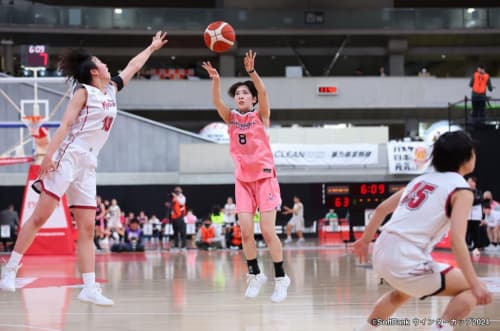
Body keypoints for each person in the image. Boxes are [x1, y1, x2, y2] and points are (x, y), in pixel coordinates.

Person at [0, 31, 168, 306]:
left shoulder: (111, 89)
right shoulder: (83, 92)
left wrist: (151, 48)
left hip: (89, 163)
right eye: (102, 62)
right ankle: (10, 270)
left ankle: (89, 287)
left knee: (88, 228)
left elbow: (133, 66)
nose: (107, 65)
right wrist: (48, 157)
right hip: (69, 157)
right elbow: (65, 125)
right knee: (41, 217)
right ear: (93, 70)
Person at [353, 131, 492, 331]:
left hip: (382, 250)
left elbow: (382, 209)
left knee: (401, 294)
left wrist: (365, 241)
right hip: (405, 257)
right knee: (472, 289)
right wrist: (475, 282)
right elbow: (457, 241)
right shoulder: (461, 189)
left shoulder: (421, 180)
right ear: (465, 158)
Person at [202, 50, 290, 303]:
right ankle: (255, 274)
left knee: (268, 231)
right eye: (238, 93)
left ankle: (281, 278)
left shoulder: (260, 116)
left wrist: (252, 72)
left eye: (245, 93)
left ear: (252, 99)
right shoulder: (231, 118)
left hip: (264, 178)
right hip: (243, 180)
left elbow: (264, 93)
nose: (240, 96)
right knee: (246, 231)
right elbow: (217, 102)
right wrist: (216, 80)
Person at [170, 186, 187, 251]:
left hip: (180, 217)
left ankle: (183, 246)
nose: (176, 191)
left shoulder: (182, 197)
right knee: (175, 232)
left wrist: (176, 197)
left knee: (182, 232)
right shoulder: (173, 198)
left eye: (178, 190)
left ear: (180, 191)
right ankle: (176, 246)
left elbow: (182, 203)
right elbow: (173, 207)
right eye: (175, 190)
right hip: (174, 217)